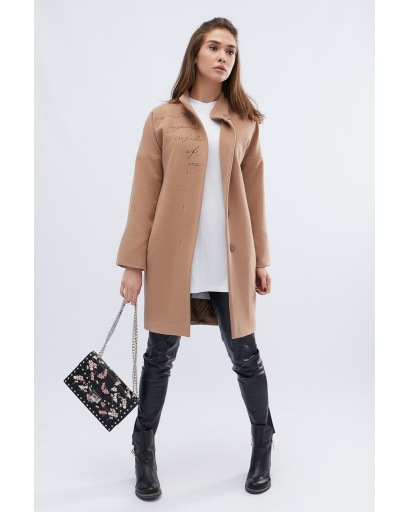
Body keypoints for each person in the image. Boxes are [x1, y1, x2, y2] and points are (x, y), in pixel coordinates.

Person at [117, 17, 275, 500]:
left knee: (245, 355)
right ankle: (143, 449)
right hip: (173, 257)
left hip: (230, 257)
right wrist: (133, 264)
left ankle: (263, 443)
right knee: (159, 356)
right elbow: (144, 193)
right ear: (195, 53)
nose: (224, 56)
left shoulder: (244, 120)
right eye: (215, 47)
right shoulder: (163, 118)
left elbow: (255, 192)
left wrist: (261, 259)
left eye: (231, 50)